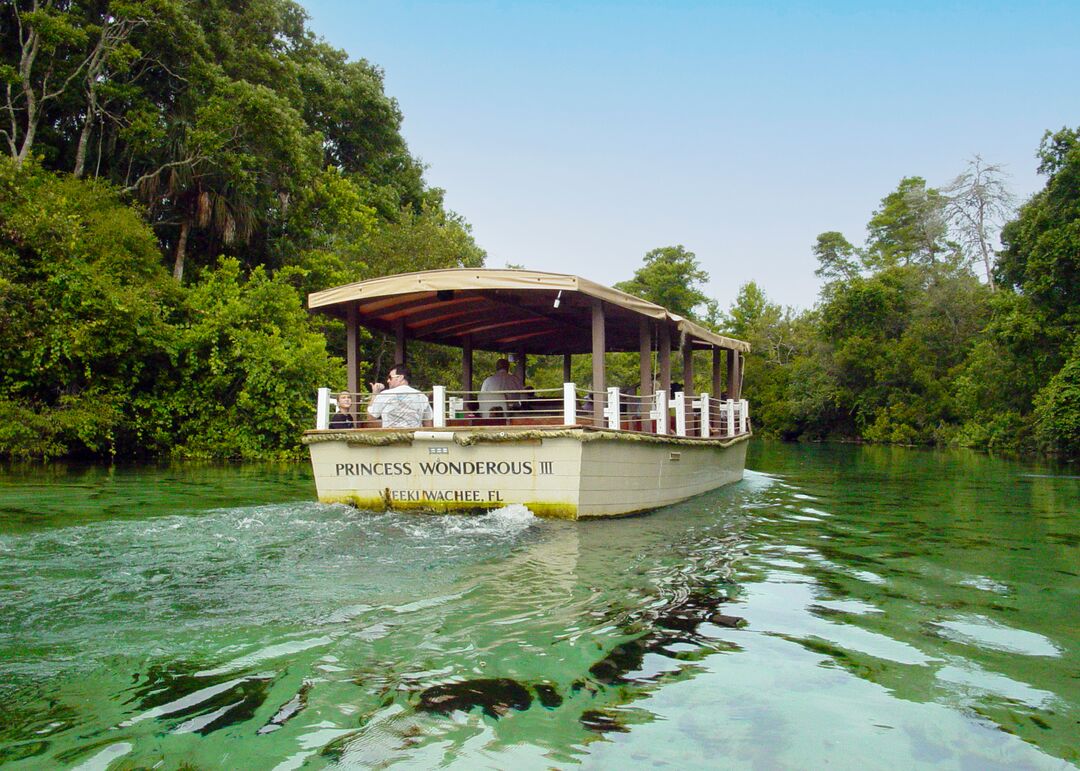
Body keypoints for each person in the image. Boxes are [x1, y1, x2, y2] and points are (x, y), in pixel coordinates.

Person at [367, 363, 433, 428]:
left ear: (400, 377)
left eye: (390, 377)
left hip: (390, 436)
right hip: (413, 436)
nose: (388, 381)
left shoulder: (385, 394)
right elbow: (428, 424)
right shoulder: (421, 396)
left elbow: (370, 419)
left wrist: (375, 393)